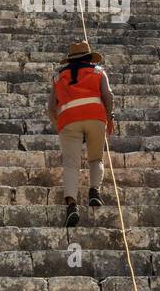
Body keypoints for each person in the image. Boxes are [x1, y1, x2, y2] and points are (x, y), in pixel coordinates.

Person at [48, 40, 116, 227]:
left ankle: (72, 205)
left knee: (71, 164)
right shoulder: (99, 71)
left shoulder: (57, 76)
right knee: (96, 158)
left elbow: (50, 108)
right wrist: (109, 118)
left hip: (68, 120)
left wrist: (60, 125)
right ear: (88, 56)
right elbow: (108, 95)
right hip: (96, 117)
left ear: (70, 59)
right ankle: (94, 192)